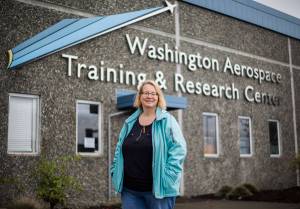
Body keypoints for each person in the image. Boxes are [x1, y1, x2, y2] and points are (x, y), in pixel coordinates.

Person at [111, 80, 187, 209]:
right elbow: (119, 147)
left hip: (158, 190)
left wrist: (168, 177)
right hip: (130, 190)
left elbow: (179, 150)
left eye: (153, 93)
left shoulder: (167, 120)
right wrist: (114, 170)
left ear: (158, 97)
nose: (149, 96)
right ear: (140, 96)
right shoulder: (130, 122)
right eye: (145, 93)